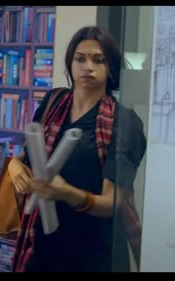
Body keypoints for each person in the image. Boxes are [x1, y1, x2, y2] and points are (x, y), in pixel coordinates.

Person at [8, 25, 147, 272]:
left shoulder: (124, 122)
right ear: (70, 64)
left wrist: (67, 192)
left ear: (111, 68)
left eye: (99, 60)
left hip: (93, 253)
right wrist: (14, 167)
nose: (88, 67)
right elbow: (25, 157)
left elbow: (111, 203)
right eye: (80, 59)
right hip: (41, 244)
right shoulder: (53, 102)